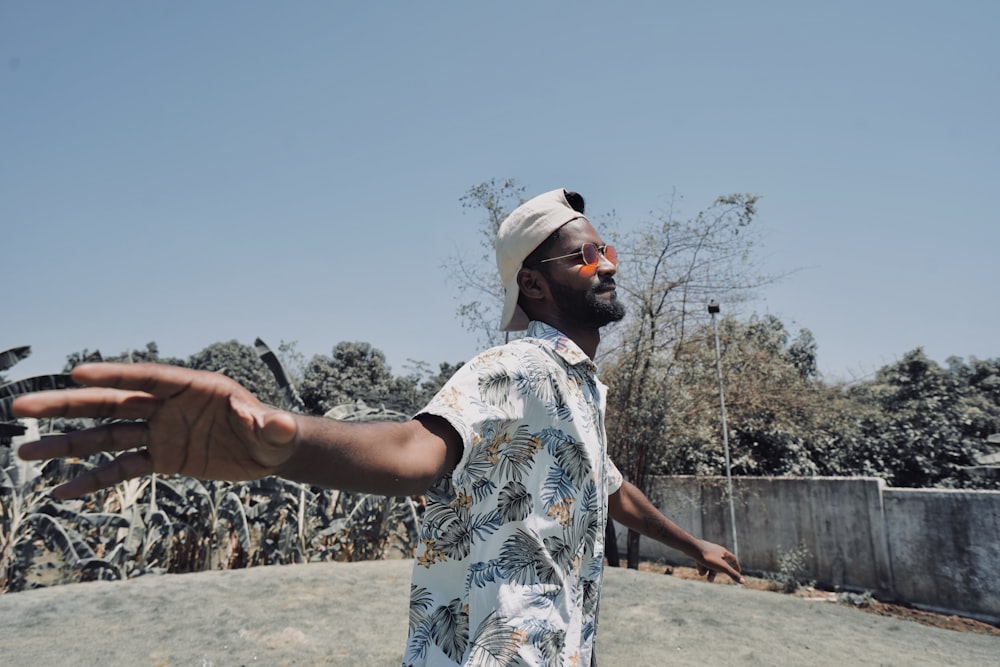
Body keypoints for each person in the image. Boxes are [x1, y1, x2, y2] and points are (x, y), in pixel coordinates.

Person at [14, 188, 743, 666]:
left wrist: (692, 543)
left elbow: (612, 487)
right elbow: (414, 449)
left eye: (607, 250)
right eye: (585, 254)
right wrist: (282, 439)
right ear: (533, 281)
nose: (606, 263)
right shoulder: (516, 364)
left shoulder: (581, 392)